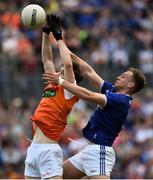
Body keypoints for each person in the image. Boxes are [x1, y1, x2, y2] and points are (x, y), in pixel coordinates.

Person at [43, 51, 147, 179]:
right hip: (88, 150)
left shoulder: (121, 100)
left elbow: (88, 95)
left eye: (124, 76)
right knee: (54, 176)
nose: (119, 77)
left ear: (130, 85)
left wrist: (61, 81)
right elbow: (88, 71)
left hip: (100, 152)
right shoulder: (113, 91)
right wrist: (67, 51)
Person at [24, 15, 83, 179]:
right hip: (33, 149)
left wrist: (59, 38)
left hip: (49, 151)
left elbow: (69, 63)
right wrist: (45, 33)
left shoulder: (71, 89)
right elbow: (46, 59)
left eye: (62, 69)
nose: (60, 69)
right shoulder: (53, 84)